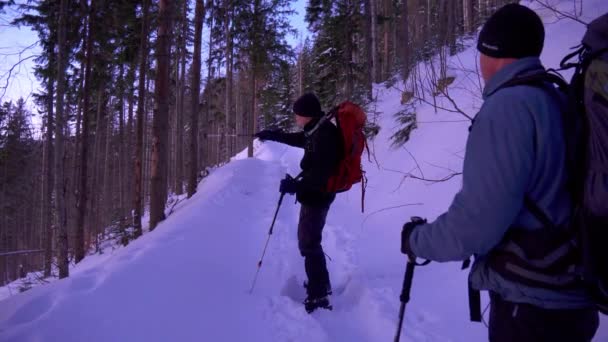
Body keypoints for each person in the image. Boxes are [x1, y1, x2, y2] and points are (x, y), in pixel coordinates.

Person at [400, 4, 599, 342]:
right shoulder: (554, 96)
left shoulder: (508, 109)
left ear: (490, 52)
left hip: (532, 309)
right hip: (570, 297)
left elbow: (475, 227)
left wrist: (417, 240)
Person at [255, 93, 343, 313]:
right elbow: (300, 139)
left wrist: (296, 187)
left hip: (318, 195)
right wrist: (274, 135)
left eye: (297, 114)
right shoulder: (316, 129)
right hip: (315, 193)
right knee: (310, 241)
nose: (295, 117)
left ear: (307, 115)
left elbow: (322, 175)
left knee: (309, 244)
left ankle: (319, 296)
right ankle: (320, 283)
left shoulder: (325, 135)